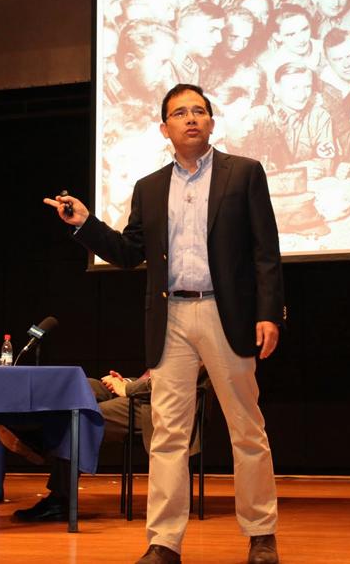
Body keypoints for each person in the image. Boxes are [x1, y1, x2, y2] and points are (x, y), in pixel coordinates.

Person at [44, 83, 284, 564]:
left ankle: (260, 534)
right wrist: (85, 225)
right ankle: (164, 542)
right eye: (180, 113)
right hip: (171, 316)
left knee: (246, 428)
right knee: (168, 432)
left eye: (199, 111)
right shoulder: (150, 187)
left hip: (227, 313)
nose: (191, 118)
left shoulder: (244, 174)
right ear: (164, 128)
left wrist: (268, 312)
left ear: (212, 123)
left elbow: (265, 251)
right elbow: (131, 253)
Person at [5, 369, 211, 522]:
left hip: (161, 408)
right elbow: (153, 376)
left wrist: (128, 388)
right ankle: (37, 434)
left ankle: (58, 494)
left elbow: (175, 378)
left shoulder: (201, 337)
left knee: (84, 415)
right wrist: (125, 382)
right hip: (144, 394)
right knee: (85, 385)